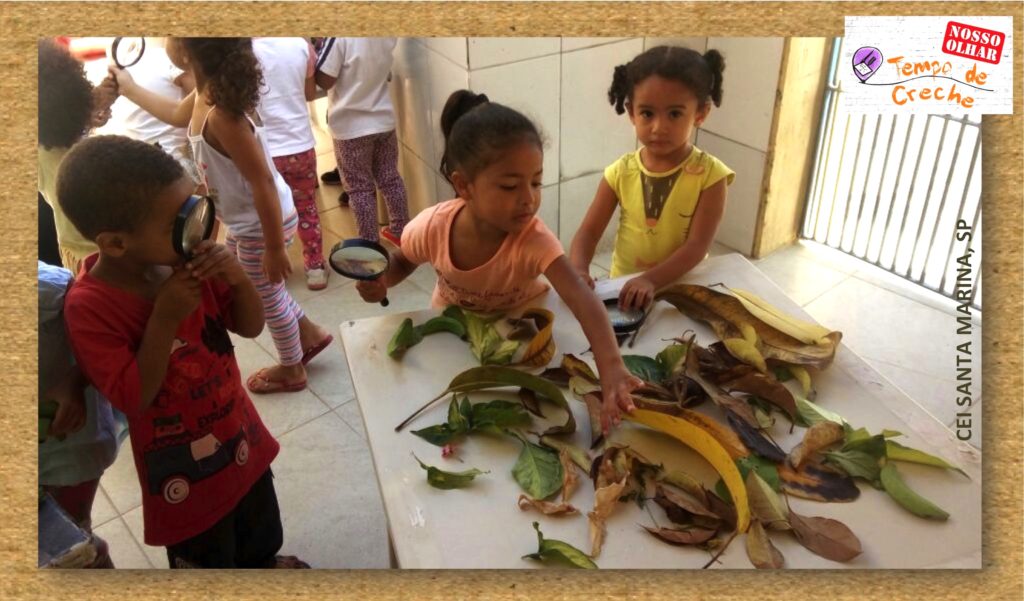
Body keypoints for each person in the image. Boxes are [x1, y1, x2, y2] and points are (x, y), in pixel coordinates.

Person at [58, 135, 308, 569]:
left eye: (195, 207)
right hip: (183, 477)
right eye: (179, 221)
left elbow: (249, 326)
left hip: (241, 437)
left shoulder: (187, 260)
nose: (198, 228)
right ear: (116, 243)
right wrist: (165, 316)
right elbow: (132, 398)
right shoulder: (89, 307)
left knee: (260, 528)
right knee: (208, 561)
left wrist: (237, 279)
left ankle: (264, 564)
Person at [355, 90, 643, 432]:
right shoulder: (433, 227)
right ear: (464, 185)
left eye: (536, 182)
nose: (529, 199)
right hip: (454, 338)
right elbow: (403, 260)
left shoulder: (533, 240)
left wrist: (611, 367)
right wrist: (382, 280)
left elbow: (582, 296)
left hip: (522, 344)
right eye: (510, 186)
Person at [110, 37, 333, 395]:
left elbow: (261, 181)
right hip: (251, 221)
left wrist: (275, 248)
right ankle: (309, 333)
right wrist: (129, 88)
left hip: (261, 224)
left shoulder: (222, 116)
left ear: (186, 52)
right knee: (263, 285)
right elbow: (171, 114)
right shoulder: (204, 96)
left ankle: (292, 368)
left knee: (264, 295)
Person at [569, 46, 733, 311]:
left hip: (684, 293)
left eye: (675, 114)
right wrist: (578, 270)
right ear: (631, 112)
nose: (659, 127)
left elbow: (696, 246)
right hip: (624, 291)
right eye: (647, 113)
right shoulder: (620, 172)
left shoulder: (712, 177)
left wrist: (649, 280)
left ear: (701, 113)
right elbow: (588, 232)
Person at [39, 260, 122, 568]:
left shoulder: (49, 291)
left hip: (67, 456)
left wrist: (77, 378)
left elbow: (107, 330)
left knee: (76, 544)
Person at [315, 37, 409, 246]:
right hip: (383, 120)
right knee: (390, 177)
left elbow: (325, 80)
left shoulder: (339, 37)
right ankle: (401, 230)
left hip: (350, 129)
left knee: (359, 189)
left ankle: (369, 243)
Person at [252, 37, 328, 291]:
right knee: (306, 208)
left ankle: (274, 267)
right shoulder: (300, 45)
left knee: (268, 212)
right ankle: (315, 267)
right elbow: (308, 94)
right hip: (301, 146)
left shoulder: (244, 50)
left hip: (264, 150)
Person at [37, 38, 117, 273]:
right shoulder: (80, 160)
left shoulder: (46, 143)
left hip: (77, 255)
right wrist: (88, 108)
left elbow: (57, 123)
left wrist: (88, 113)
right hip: (98, 258)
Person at [94, 37, 200, 184]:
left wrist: (130, 89)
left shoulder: (170, 57)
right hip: (138, 169)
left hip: (167, 171)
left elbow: (192, 111)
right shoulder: (124, 52)